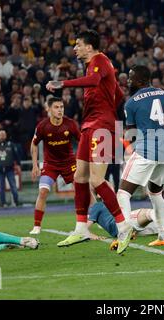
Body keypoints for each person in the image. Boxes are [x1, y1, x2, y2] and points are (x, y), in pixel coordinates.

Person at [46, 30, 131, 252]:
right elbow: (119, 94)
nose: (74, 48)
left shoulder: (100, 60)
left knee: (96, 179)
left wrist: (61, 84)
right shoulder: (97, 65)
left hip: (101, 126)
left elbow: (93, 81)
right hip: (89, 125)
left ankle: (123, 226)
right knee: (79, 177)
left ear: (90, 47)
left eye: (78, 45)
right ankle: (81, 228)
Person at [116, 65, 164, 248]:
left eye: (130, 78)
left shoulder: (131, 103)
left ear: (139, 80)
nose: (128, 81)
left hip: (147, 150)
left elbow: (132, 134)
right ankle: (162, 236)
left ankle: (124, 232)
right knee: (155, 193)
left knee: (122, 193)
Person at [29, 97, 80, 235]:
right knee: (43, 191)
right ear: (49, 109)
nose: (60, 110)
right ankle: (37, 226)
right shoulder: (42, 126)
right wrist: (35, 165)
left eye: (62, 107)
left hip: (69, 163)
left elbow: (82, 142)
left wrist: (82, 162)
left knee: (82, 190)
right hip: (50, 164)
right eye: (56, 107)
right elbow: (34, 144)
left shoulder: (70, 124)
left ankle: (90, 219)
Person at [87, 202, 164, 250]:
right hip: (126, 224)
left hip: (135, 230)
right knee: (150, 212)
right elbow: (85, 226)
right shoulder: (98, 206)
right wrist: (93, 236)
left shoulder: (112, 202)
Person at [0, 129, 21, 208]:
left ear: (6, 136)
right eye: (0, 134)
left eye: (3, 134)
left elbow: (16, 156)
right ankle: (3, 203)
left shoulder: (10, 144)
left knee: (13, 186)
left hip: (9, 169)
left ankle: (16, 202)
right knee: (1, 187)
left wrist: (18, 165)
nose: (2, 136)